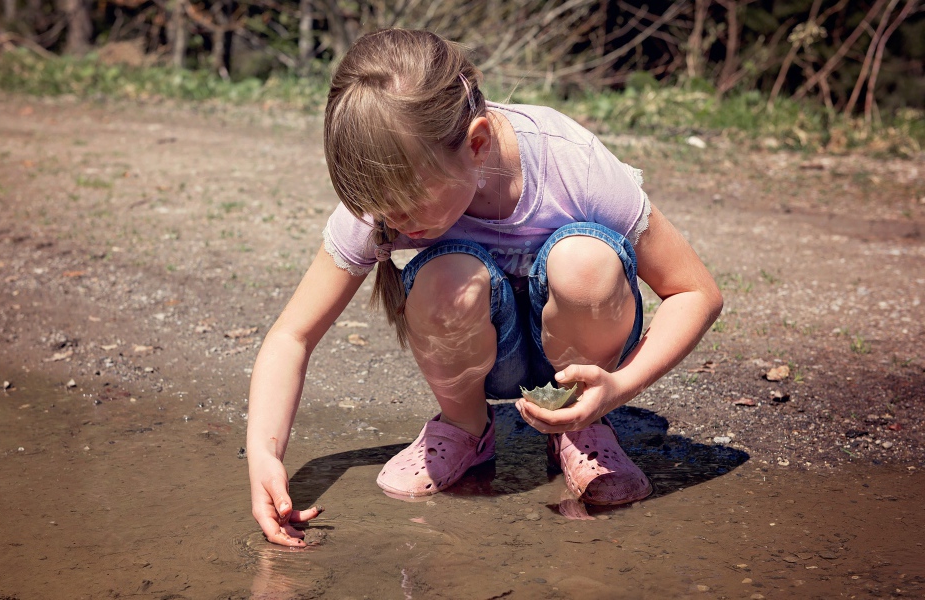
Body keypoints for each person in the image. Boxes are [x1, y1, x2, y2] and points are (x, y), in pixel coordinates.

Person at [247, 28, 723, 547]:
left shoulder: (569, 161)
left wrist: (618, 389)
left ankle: (580, 425)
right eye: (383, 210)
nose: (395, 220)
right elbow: (292, 335)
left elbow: (694, 292)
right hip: (482, 357)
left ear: (475, 144)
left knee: (584, 262)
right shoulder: (386, 192)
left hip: (586, 354)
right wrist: (266, 457)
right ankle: (465, 429)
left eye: (408, 205)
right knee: (446, 278)